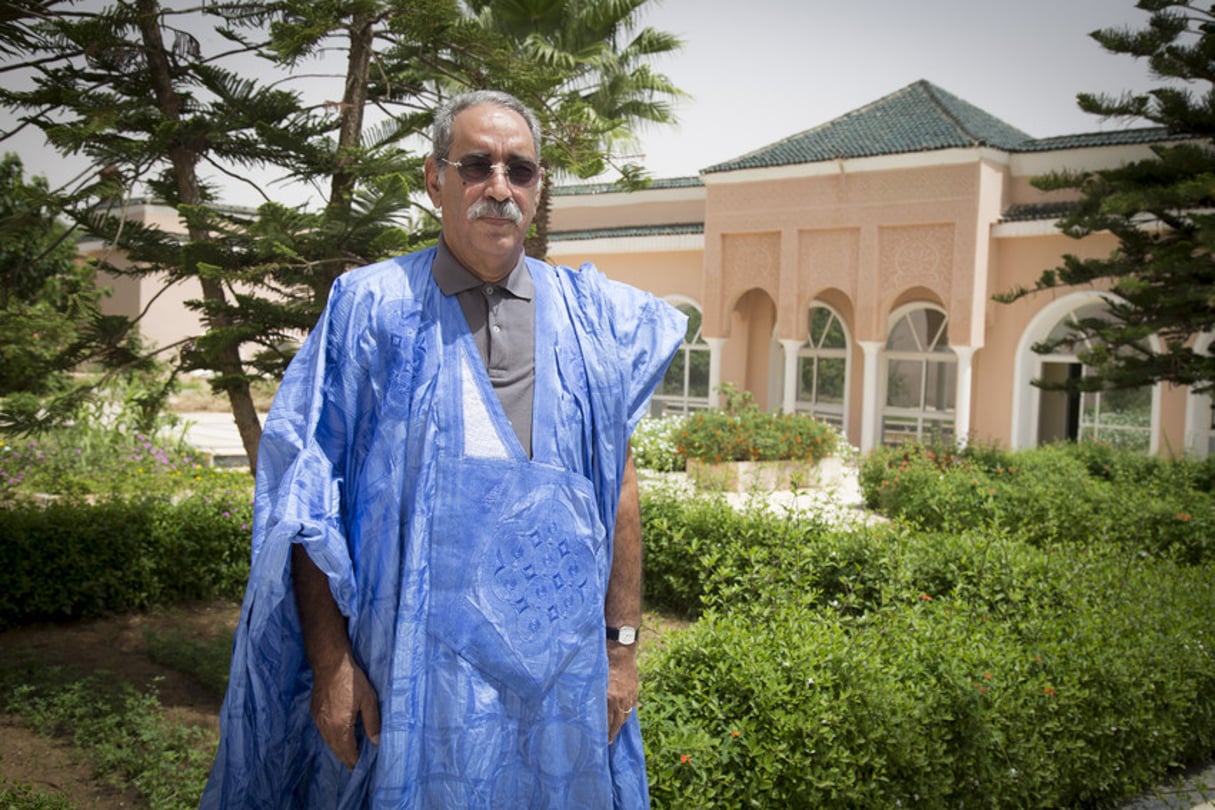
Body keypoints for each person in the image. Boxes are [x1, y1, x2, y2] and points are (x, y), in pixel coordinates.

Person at [200, 89, 686, 808]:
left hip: (557, 693)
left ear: (539, 186)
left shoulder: (594, 322)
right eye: (476, 165)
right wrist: (332, 666)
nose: (499, 187)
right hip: (408, 683)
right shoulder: (370, 310)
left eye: (519, 170)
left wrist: (620, 650)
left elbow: (615, 489)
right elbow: (310, 497)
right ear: (435, 180)